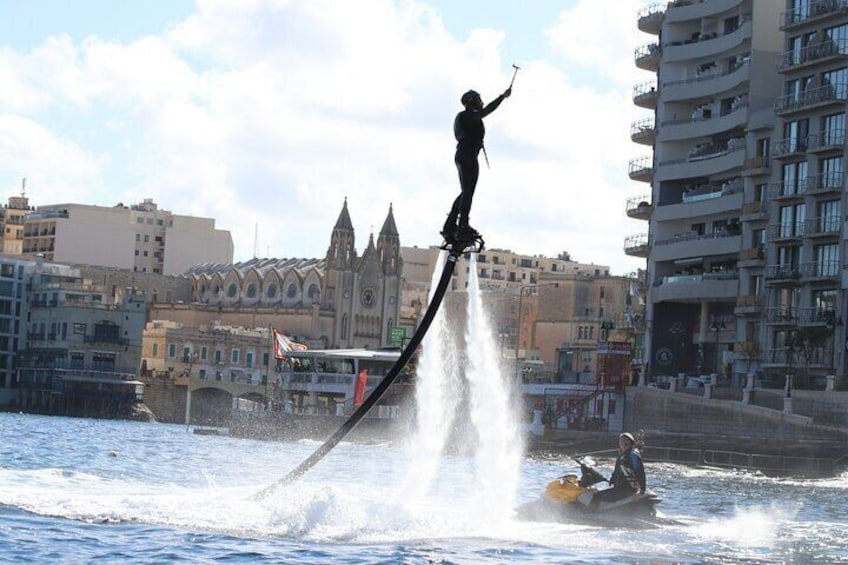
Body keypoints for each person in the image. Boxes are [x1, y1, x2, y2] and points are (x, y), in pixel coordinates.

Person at [441, 86, 512, 239]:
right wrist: (502, 97)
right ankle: (462, 225)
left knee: (465, 192)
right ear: (473, 102)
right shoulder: (467, 116)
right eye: (478, 100)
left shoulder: (464, 117)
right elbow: (486, 111)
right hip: (468, 156)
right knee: (468, 192)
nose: (481, 102)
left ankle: (451, 224)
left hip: (464, 155)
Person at [590, 432, 646, 510]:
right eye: (621, 441)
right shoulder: (621, 456)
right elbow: (617, 472)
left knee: (597, 496)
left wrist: (641, 492)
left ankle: (590, 515)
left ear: (631, 443)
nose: (623, 443)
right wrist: (612, 480)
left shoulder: (633, 455)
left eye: (626, 441)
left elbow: (641, 473)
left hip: (627, 491)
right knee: (597, 493)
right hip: (619, 488)